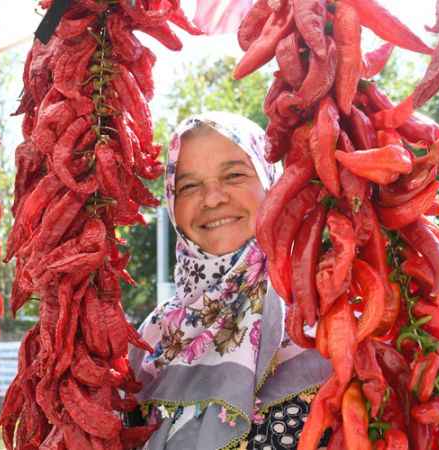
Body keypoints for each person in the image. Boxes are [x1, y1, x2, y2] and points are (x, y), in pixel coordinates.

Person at [129, 111, 332, 450]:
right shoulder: (152, 339)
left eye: (234, 175)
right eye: (189, 186)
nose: (212, 199)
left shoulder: (323, 319)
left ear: (271, 184)